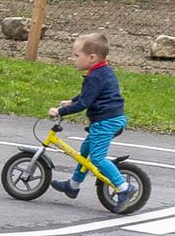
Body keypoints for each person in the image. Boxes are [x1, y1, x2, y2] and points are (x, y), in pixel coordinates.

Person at [49, 32, 132, 205]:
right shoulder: (101, 71)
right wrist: (72, 100)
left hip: (106, 122)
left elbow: (84, 103)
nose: (74, 59)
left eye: (76, 55)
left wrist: (61, 111)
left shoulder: (95, 76)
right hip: (109, 119)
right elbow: (88, 94)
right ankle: (73, 185)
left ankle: (124, 187)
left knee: (97, 159)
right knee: (85, 151)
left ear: (92, 57)